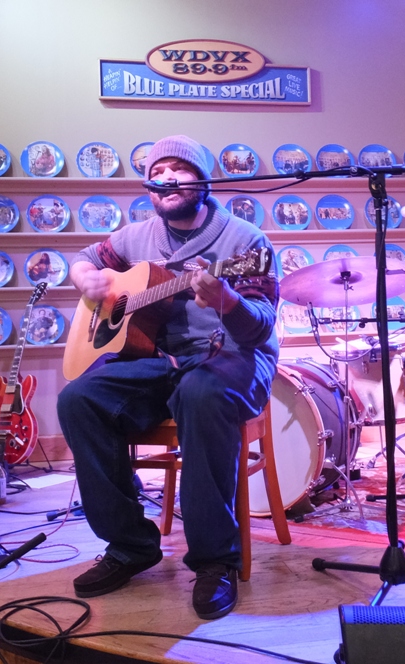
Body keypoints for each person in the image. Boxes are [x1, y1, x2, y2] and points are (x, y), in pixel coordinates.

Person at [57, 135, 279, 620]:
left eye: (181, 169)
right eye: (160, 171)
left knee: (201, 396)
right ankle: (131, 545)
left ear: (202, 181)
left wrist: (228, 301)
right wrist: (83, 277)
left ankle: (215, 561)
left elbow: (261, 327)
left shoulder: (245, 242)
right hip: (160, 360)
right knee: (78, 400)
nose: (168, 179)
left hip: (233, 357)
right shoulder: (136, 237)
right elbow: (88, 258)